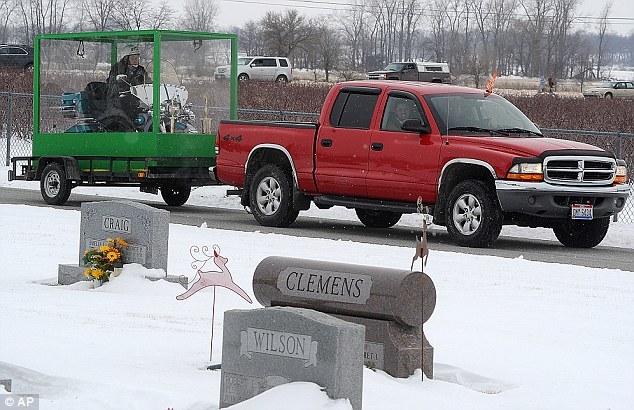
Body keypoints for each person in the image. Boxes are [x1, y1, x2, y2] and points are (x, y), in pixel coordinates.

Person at [102, 45, 151, 130]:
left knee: (146, 116)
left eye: (137, 58)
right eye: (133, 58)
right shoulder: (118, 69)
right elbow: (113, 86)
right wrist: (122, 87)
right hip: (118, 103)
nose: (136, 60)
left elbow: (147, 82)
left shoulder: (141, 70)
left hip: (136, 102)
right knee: (124, 119)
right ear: (126, 58)